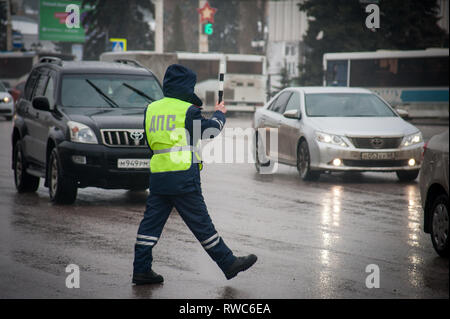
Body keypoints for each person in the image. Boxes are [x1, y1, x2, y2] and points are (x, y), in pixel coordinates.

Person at [132, 64, 257, 285]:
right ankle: (228, 263)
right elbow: (211, 129)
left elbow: (151, 144)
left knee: (149, 226)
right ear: (186, 86)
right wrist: (220, 113)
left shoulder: (151, 109)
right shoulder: (187, 111)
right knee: (201, 224)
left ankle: (141, 269)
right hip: (183, 177)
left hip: (159, 177)